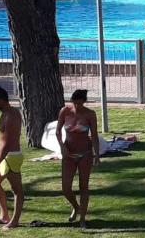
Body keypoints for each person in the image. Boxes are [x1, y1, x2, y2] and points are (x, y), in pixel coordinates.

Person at [57, 89, 101, 228]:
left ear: (84, 101)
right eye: (74, 103)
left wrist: (97, 155)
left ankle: (82, 218)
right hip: (69, 153)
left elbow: (93, 135)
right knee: (66, 188)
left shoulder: (90, 114)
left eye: (79, 103)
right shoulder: (65, 111)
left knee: (83, 187)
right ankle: (76, 207)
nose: (76, 106)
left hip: (85, 153)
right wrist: (62, 147)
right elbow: (58, 131)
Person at [0, 86, 24, 230]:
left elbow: (7, 144)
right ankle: (4, 216)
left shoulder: (10, 116)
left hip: (11, 157)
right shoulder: (7, 113)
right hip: (6, 157)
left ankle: (14, 221)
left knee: (17, 190)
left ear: (0, 99)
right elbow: (3, 141)